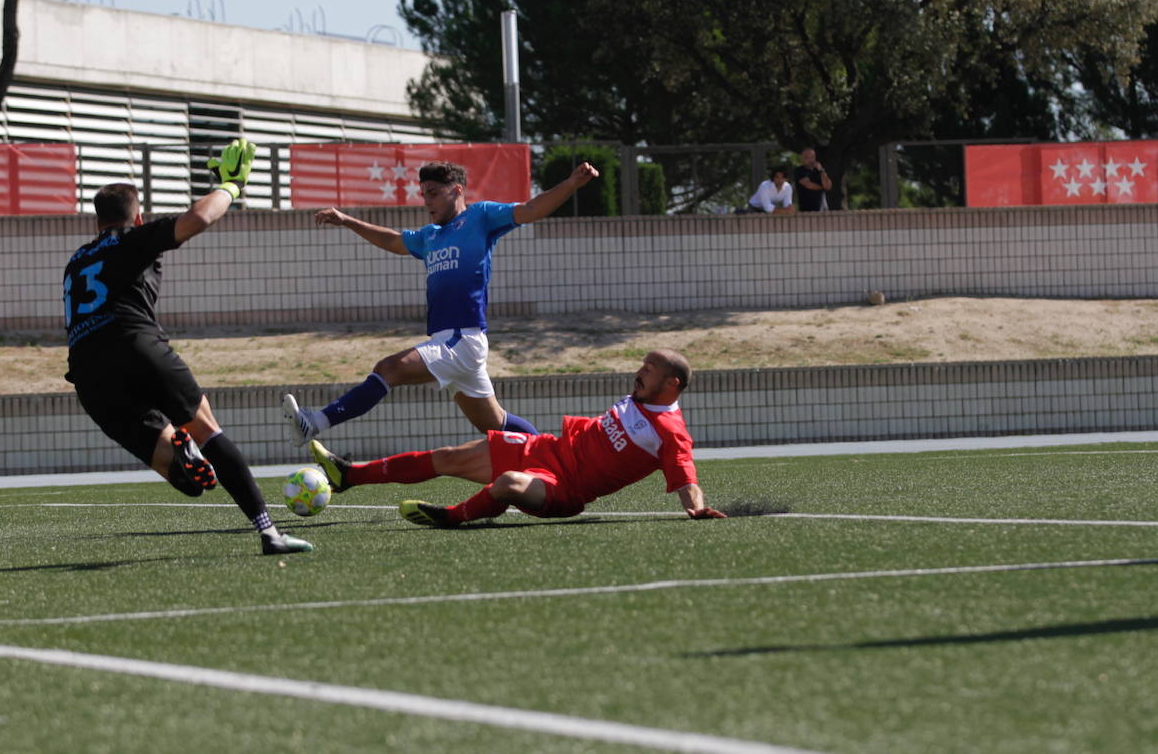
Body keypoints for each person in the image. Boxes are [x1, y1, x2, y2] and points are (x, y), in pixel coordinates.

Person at [63, 139, 312, 556]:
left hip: (88, 374)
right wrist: (231, 187)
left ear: (96, 221)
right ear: (136, 216)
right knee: (208, 429)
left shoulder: (76, 260)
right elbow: (197, 217)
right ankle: (270, 533)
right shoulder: (132, 239)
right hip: (135, 345)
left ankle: (184, 449)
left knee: (189, 482)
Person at [283, 160, 600, 446]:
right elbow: (393, 241)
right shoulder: (430, 235)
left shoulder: (481, 216)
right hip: (447, 341)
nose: (427, 201)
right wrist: (347, 220)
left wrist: (571, 184)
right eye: (423, 194)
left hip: (463, 339)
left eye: (433, 193)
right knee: (496, 424)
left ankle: (315, 422)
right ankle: (556, 455)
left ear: (457, 190)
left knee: (389, 368)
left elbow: (531, 209)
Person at [306, 349, 728, 527]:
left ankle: (451, 518)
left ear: (671, 383)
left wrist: (697, 508)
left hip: (563, 490)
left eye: (650, 369)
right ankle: (349, 476)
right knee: (449, 455)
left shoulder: (670, 431)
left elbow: (685, 473)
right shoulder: (642, 396)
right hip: (544, 448)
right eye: (643, 365)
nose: (640, 371)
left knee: (507, 484)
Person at [793, 147, 833, 212]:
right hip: (806, 208)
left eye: (812, 157)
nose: (810, 160)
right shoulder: (799, 171)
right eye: (807, 157)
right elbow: (808, 185)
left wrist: (821, 171)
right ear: (802, 159)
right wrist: (822, 188)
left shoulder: (819, 171)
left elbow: (828, 186)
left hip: (822, 206)